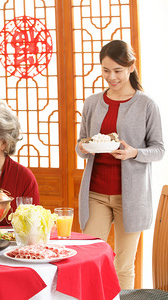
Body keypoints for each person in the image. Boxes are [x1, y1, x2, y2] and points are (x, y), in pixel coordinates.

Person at [76, 40, 164, 289]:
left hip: (131, 196)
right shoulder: (93, 102)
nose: (111, 77)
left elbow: (159, 150)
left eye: (117, 71)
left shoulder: (147, 105)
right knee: (88, 256)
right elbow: (81, 143)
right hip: (96, 194)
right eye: (106, 70)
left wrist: (134, 152)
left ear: (131, 68)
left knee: (124, 264)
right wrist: (82, 147)